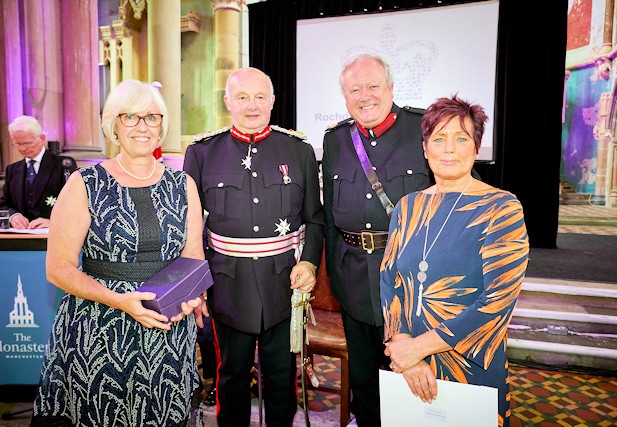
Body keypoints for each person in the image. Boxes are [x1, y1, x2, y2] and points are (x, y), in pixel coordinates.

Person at [31, 79, 208, 427]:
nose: (143, 127)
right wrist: (120, 300)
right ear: (113, 125)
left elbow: (193, 258)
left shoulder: (182, 184)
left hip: (167, 333)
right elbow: (58, 268)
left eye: (153, 117)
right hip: (98, 330)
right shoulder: (84, 183)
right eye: (131, 117)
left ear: (163, 125)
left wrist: (191, 297)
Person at [183, 67, 324, 427]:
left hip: (284, 281)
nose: (251, 105)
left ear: (273, 102)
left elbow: (315, 218)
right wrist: (196, 282)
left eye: (260, 97)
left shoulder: (299, 150)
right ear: (228, 101)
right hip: (227, 281)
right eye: (242, 97)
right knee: (231, 375)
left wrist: (308, 264)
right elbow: (191, 226)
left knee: (281, 378)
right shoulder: (202, 153)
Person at [380, 95, 529, 427]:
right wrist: (404, 347)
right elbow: (389, 280)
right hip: (410, 364)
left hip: (469, 362)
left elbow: (497, 300)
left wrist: (419, 347)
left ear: (476, 148)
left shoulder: (501, 208)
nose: (449, 148)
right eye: (439, 138)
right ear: (425, 148)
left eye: (461, 138)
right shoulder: (407, 207)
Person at [322, 53, 436, 426]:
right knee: (365, 379)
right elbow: (328, 216)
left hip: (411, 279)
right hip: (353, 278)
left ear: (390, 88)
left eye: (373, 86)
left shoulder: (424, 129)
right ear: (345, 96)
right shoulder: (337, 140)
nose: (365, 96)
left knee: (411, 373)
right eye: (355, 89)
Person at [0, 115, 77, 229]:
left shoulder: (63, 165)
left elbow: (75, 202)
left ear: (42, 138)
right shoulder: (12, 170)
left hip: (54, 235)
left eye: (27, 143)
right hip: (21, 238)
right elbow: (4, 204)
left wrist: (53, 222)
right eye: (18, 144)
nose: (22, 148)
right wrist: (13, 216)